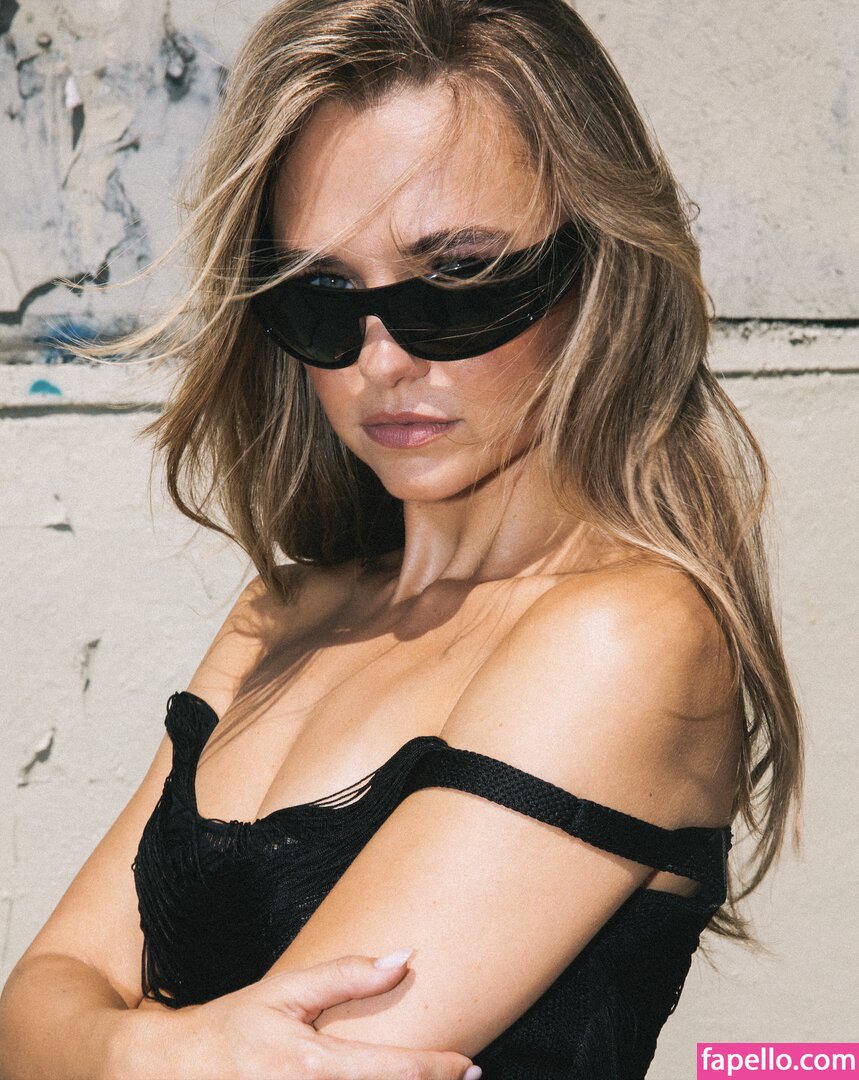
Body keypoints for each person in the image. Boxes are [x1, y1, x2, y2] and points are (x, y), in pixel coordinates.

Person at [0, 1, 805, 1077]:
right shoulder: (279, 615)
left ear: (599, 269)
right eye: (322, 295)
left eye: (458, 279)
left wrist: (115, 1040)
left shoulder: (626, 637)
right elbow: (28, 1011)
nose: (381, 360)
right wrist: (172, 1056)